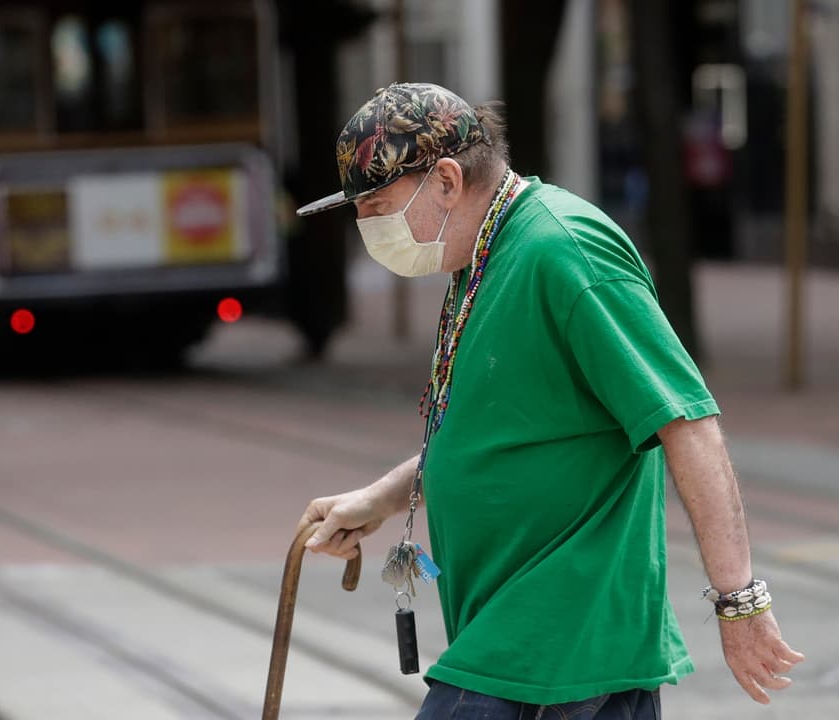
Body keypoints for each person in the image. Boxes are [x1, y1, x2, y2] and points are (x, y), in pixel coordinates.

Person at [294, 83, 803, 719]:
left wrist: (740, 603)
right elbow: (493, 432)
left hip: (552, 640)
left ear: (447, 181)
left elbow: (687, 421)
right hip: (522, 638)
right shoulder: (480, 260)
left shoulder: (565, 248)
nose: (367, 226)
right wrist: (382, 498)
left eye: (377, 205)